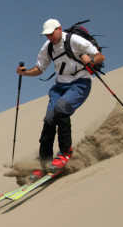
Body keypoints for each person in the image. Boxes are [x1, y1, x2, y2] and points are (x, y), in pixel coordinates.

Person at [16, 19, 105, 172]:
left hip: (80, 83)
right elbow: (39, 69)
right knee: (49, 119)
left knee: (61, 108)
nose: (50, 37)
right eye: (47, 35)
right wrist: (24, 73)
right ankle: (44, 162)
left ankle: (65, 153)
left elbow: (99, 56)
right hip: (60, 86)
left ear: (59, 29)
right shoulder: (48, 47)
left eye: (51, 33)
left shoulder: (74, 40)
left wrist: (90, 59)